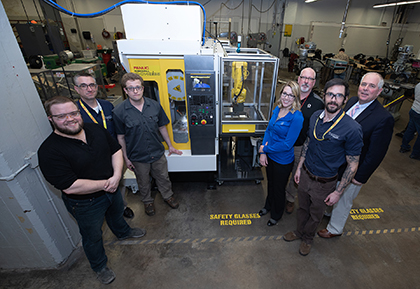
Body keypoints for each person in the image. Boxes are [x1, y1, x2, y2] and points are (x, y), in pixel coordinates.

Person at [38, 96, 146, 284]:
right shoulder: (49, 150)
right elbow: (70, 186)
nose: (70, 119)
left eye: (73, 113)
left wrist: (116, 176)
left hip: (111, 189)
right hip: (86, 203)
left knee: (117, 214)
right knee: (93, 236)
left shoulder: (95, 129)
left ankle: (123, 232)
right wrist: (108, 183)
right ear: (51, 119)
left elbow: (116, 151)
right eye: (61, 116)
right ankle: (99, 266)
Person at [283, 78, 363, 256]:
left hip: (325, 182)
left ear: (345, 99)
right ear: (324, 96)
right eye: (330, 95)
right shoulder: (315, 116)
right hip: (305, 174)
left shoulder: (351, 128)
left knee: (315, 214)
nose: (333, 99)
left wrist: (338, 192)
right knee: (302, 208)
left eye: (339, 96)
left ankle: (308, 238)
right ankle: (299, 231)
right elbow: (308, 143)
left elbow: (353, 163)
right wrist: (299, 168)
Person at [318, 72, 394, 239]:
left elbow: (376, 153)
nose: (365, 89)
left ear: (379, 91)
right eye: (363, 84)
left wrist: (360, 177)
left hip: (354, 169)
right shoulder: (352, 101)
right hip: (337, 163)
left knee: (344, 199)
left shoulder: (383, 118)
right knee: (334, 191)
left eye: (371, 86)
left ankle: (334, 228)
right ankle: (329, 212)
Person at [113, 72, 182, 217]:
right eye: (131, 88)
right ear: (125, 90)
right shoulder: (119, 112)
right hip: (137, 156)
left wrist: (170, 145)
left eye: (138, 87)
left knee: (163, 177)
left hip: (157, 152)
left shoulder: (154, 106)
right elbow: (121, 137)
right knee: (143, 181)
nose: (135, 91)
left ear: (143, 88)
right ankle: (147, 201)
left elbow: (162, 127)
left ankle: (168, 196)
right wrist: (126, 158)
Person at [74, 72, 134, 219]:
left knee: (119, 182)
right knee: (99, 187)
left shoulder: (107, 106)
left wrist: (124, 155)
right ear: (76, 89)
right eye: (84, 85)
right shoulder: (76, 112)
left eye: (92, 85)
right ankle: (105, 212)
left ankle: (122, 207)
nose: (89, 89)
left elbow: (119, 133)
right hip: (93, 159)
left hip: (114, 154)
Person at [258, 81, 304, 226]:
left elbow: (287, 144)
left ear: (296, 98)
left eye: (291, 95)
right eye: (285, 93)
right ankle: (268, 206)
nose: (286, 98)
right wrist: (263, 153)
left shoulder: (297, 117)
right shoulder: (277, 109)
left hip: (282, 161)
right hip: (269, 156)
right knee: (270, 184)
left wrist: (265, 149)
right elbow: (269, 131)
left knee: (279, 188)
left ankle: (276, 215)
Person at [285, 67, 324, 214]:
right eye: (304, 77)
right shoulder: (289, 95)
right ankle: (278, 195)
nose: (306, 81)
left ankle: (289, 199)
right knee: (282, 171)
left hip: (300, 146)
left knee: (296, 173)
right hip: (283, 143)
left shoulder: (317, 103)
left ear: (314, 83)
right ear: (298, 79)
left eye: (310, 79)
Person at [399, 82, 420, 160]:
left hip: (413, 110)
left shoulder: (418, 85)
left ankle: (404, 147)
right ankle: (416, 154)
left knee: (410, 130)